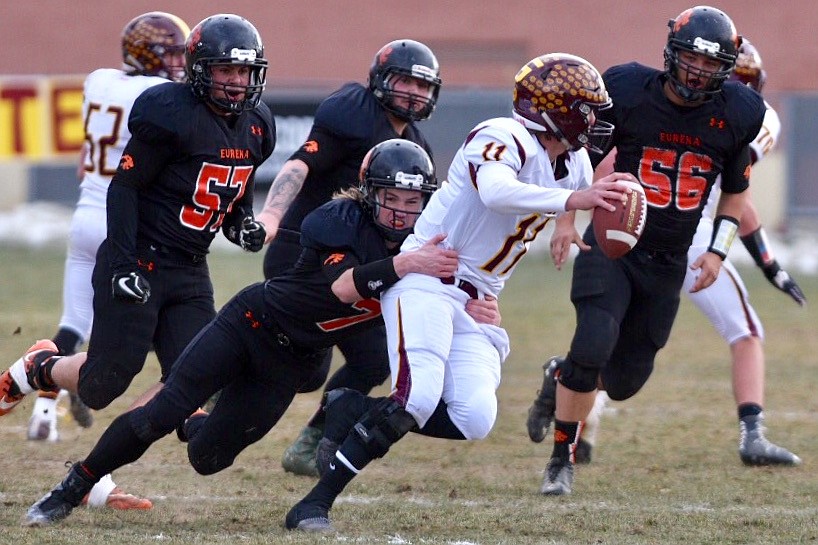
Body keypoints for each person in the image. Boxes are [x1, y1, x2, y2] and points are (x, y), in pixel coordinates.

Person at [19, 139, 500, 527]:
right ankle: (73, 487)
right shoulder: (337, 220)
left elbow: (456, 287)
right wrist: (408, 263)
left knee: (208, 458)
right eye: (390, 199)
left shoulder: (431, 243)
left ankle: (201, 414)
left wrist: (473, 306)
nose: (400, 212)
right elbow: (346, 286)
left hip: (290, 362)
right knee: (160, 414)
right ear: (368, 193)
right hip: (251, 324)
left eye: (412, 201)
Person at [285, 53, 636, 532]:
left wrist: (566, 223)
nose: (595, 120)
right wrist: (573, 202)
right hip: (429, 277)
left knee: (475, 417)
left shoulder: (571, 161)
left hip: (478, 299)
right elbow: (497, 192)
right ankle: (314, 504)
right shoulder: (501, 135)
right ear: (558, 110)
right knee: (416, 398)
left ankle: (350, 407)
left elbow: (569, 188)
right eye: (587, 109)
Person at [0, 11, 273, 510]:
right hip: (140, 258)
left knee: (193, 385)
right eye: (225, 71)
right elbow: (125, 188)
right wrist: (123, 263)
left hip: (190, 271)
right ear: (199, 69)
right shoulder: (168, 109)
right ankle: (40, 366)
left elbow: (236, 197)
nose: (236, 82)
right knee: (103, 384)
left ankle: (90, 480)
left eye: (244, 72)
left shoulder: (258, 125)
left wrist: (243, 225)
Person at [524, 6, 771, 497]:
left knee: (622, 381)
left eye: (710, 65)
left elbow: (737, 190)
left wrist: (719, 252)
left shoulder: (738, 112)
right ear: (671, 54)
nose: (698, 72)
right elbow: (582, 155)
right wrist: (568, 216)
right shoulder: (630, 90)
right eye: (691, 60)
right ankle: (560, 460)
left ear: (726, 68)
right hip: (615, 244)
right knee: (594, 341)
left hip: (670, 259)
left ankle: (562, 374)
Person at [255, 39, 443, 477]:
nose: (414, 93)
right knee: (305, 370)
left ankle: (312, 440)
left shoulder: (417, 148)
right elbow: (301, 164)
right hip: (305, 251)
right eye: (405, 81)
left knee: (374, 358)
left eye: (422, 84)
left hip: (358, 270)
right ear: (380, 81)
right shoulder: (352, 112)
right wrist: (271, 213)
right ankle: (224, 375)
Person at [25, 11, 190, 447]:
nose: (179, 63)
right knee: (154, 331)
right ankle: (86, 376)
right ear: (148, 55)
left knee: (72, 324)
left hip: (85, 216)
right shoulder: (162, 94)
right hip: (126, 222)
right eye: (171, 53)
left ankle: (44, 412)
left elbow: (87, 154)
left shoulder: (99, 81)